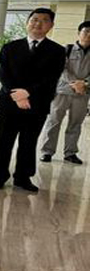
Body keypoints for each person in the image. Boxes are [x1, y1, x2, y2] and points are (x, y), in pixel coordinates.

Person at [0, 7, 67, 191]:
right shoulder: (10, 47)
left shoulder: (57, 51)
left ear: (51, 25)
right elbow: (3, 74)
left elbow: (51, 78)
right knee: (3, 142)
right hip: (9, 103)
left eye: (43, 20)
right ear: (27, 22)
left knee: (29, 143)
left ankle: (23, 178)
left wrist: (28, 93)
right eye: (34, 19)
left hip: (37, 104)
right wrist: (16, 95)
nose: (37, 23)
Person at [40, 20, 90, 165]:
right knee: (53, 122)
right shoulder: (66, 49)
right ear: (78, 33)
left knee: (76, 124)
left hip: (83, 93)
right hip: (62, 91)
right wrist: (75, 83)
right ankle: (47, 152)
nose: (88, 34)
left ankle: (70, 153)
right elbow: (61, 69)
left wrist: (85, 84)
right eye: (86, 31)